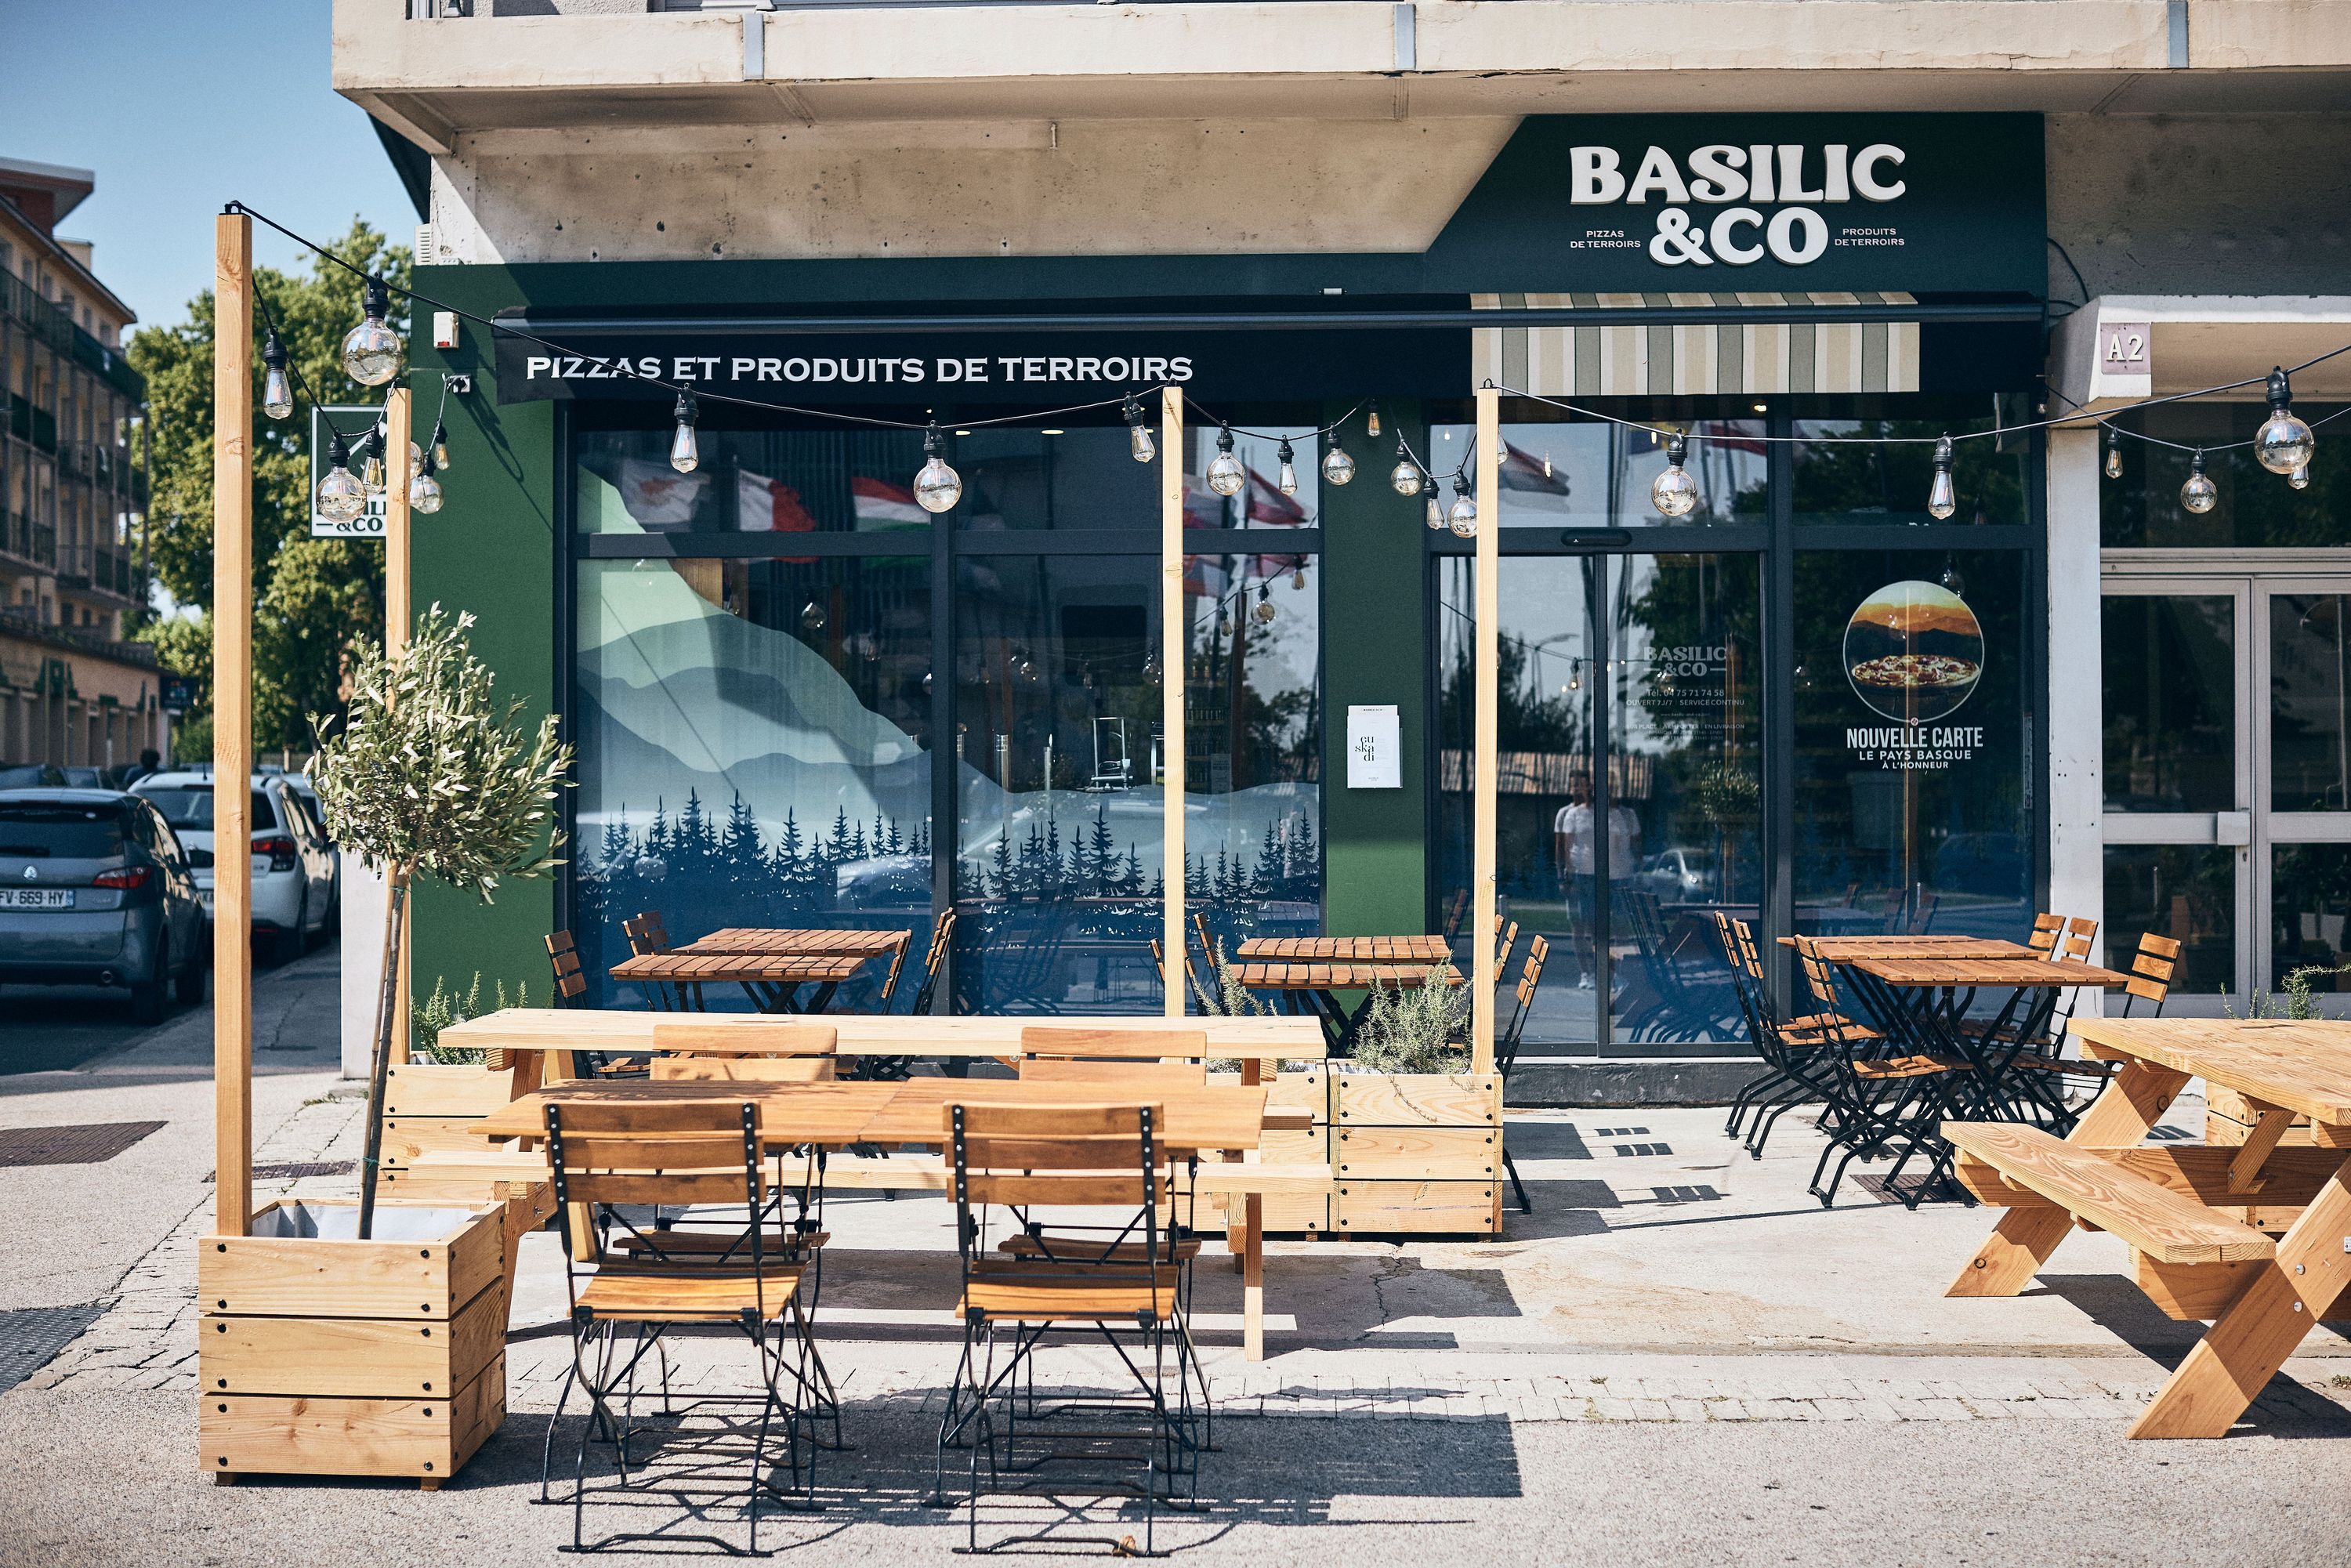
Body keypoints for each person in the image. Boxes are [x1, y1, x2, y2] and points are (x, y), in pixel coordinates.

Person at [1552, 777, 1640, 990]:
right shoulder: (1574, 814)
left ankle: (1618, 975)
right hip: (1586, 877)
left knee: (1620, 926)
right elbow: (1566, 847)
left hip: (1618, 876)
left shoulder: (1622, 815)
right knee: (1591, 928)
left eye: (1611, 788)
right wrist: (1565, 876)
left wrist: (1634, 870)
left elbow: (1634, 845)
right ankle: (1594, 973)